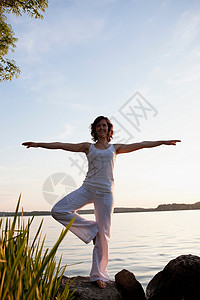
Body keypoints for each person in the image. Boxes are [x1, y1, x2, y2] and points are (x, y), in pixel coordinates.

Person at [22, 115, 181, 289]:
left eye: (104, 125)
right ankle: (91, 230)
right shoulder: (87, 147)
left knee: (104, 235)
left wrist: (163, 142)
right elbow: (61, 145)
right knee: (58, 210)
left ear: (109, 129)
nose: (102, 128)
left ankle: (99, 275)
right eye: (99, 126)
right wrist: (38, 144)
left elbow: (141, 144)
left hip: (106, 193)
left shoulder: (115, 148)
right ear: (95, 129)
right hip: (87, 188)